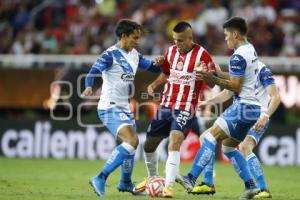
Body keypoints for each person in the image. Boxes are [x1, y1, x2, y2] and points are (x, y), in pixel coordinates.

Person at [176, 17, 263, 199]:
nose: (225, 39)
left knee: (209, 136)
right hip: (254, 109)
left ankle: (192, 178)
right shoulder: (250, 50)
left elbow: (236, 86)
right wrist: (217, 73)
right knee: (228, 147)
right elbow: (239, 77)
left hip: (243, 106)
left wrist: (212, 80)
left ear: (235, 34)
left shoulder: (238, 55)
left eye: (226, 35)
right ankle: (251, 185)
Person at [133, 21, 216, 198]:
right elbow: (167, 72)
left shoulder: (203, 55)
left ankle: (168, 186)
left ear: (190, 38)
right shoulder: (171, 51)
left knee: (175, 140)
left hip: (185, 107)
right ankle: (153, 178)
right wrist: (154, 85)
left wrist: (205, 74)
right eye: (175, 40)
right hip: (166, 105)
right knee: (149, 144)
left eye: (180, 40)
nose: (176, 43)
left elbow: (211, 82)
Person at [81, 19, 163, 197]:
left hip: (124, 108)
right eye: (135, 37)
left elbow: (154, 69)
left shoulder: (135, 54)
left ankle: (125, 183)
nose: (138, 41)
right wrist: (88, 85)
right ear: (123, 36)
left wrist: (161, 63)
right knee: (132, 141)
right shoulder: (110, 54)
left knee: (130, 145)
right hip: (109, 107)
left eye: (139, 37)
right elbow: (93, 72)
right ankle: (100, 178)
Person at [191, 61, 280, 199]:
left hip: (257, 115)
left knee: (244, 146)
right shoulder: (242, 70)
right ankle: (251, 185)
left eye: (228, 37)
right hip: (242, 114)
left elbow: (276, 96)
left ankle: (263, 189)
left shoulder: (261, 69)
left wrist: (266, 116)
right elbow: (227, 93)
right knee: (226, 147)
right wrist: (207, 102)